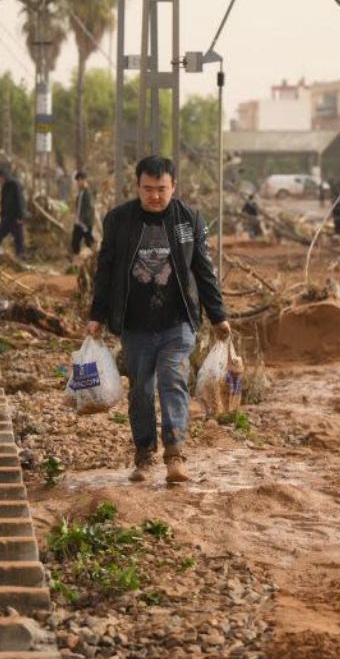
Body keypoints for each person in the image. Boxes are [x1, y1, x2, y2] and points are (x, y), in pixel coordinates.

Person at [87, 155, 231, 484]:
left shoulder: (189, 220)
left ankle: (175, 455)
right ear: (137, 187)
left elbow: (204, 271)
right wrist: (97, 315)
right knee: (141, 391)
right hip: (135, 325)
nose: (154, 196)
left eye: (161, 189)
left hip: (177, 322)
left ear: (174, 186)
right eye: (147, 189)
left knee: (172, 379)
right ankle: (144, 455)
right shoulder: (118, 220)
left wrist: (218, 315)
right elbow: (105, 270)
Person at [0, 163, 27, 257]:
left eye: (0, 178)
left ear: (4, 176)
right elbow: (3, 202)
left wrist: (20, 216)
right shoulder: (4, 187)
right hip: (7, 217)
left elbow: (20, 200)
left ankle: (21, 256)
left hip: (15, 217)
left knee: (19, 239)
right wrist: (2, 215)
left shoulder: (15, 185)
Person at [71, 171, 96, 255]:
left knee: (89, 242)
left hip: (85, 223)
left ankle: (95, 258)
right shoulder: (80, 193)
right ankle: (77, 261)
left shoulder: (87, 193)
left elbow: (89, 208)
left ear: (84, 180)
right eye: (77, 180)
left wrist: (84, 220)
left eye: (80, 180)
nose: (78, 182)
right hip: (79, 222)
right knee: (75, 242)